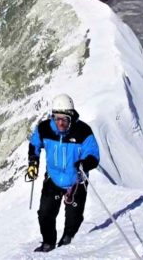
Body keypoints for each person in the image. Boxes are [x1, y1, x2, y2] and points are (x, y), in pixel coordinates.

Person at [27, 94, 100, 252]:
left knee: (74, 217)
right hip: (53, 179)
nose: (60, 123)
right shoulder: (45, 129)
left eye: (64, 119)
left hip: (76, 182)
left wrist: (84, 163)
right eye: (57, 118)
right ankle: (48, 243)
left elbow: (94, 155)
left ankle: (67, 242)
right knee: (45, 214)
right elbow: (34, 143)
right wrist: (33, 162)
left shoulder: (83, 132)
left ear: (71, 118)